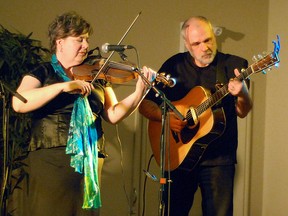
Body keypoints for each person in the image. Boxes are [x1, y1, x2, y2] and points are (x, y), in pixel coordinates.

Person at [10, 11, 155, 216]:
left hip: (91, 159)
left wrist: (139, 92)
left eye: (86, 39)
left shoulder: (95, 76)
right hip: (52, 158)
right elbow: (19, 101)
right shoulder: (43, 72)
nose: (86, 45)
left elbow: (113, 114)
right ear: (60, 42)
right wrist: (62, 87)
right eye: (79, 39)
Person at [138, 16, 253, 216]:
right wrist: (165, 118)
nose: (204, 47)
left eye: (208, 40)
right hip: (178, 157)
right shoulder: (174, 65)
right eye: (197, 43)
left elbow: (242, 111)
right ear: (187, 45)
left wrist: (242, 92)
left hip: (219, 160)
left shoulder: (233, 66)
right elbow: (145, 105)